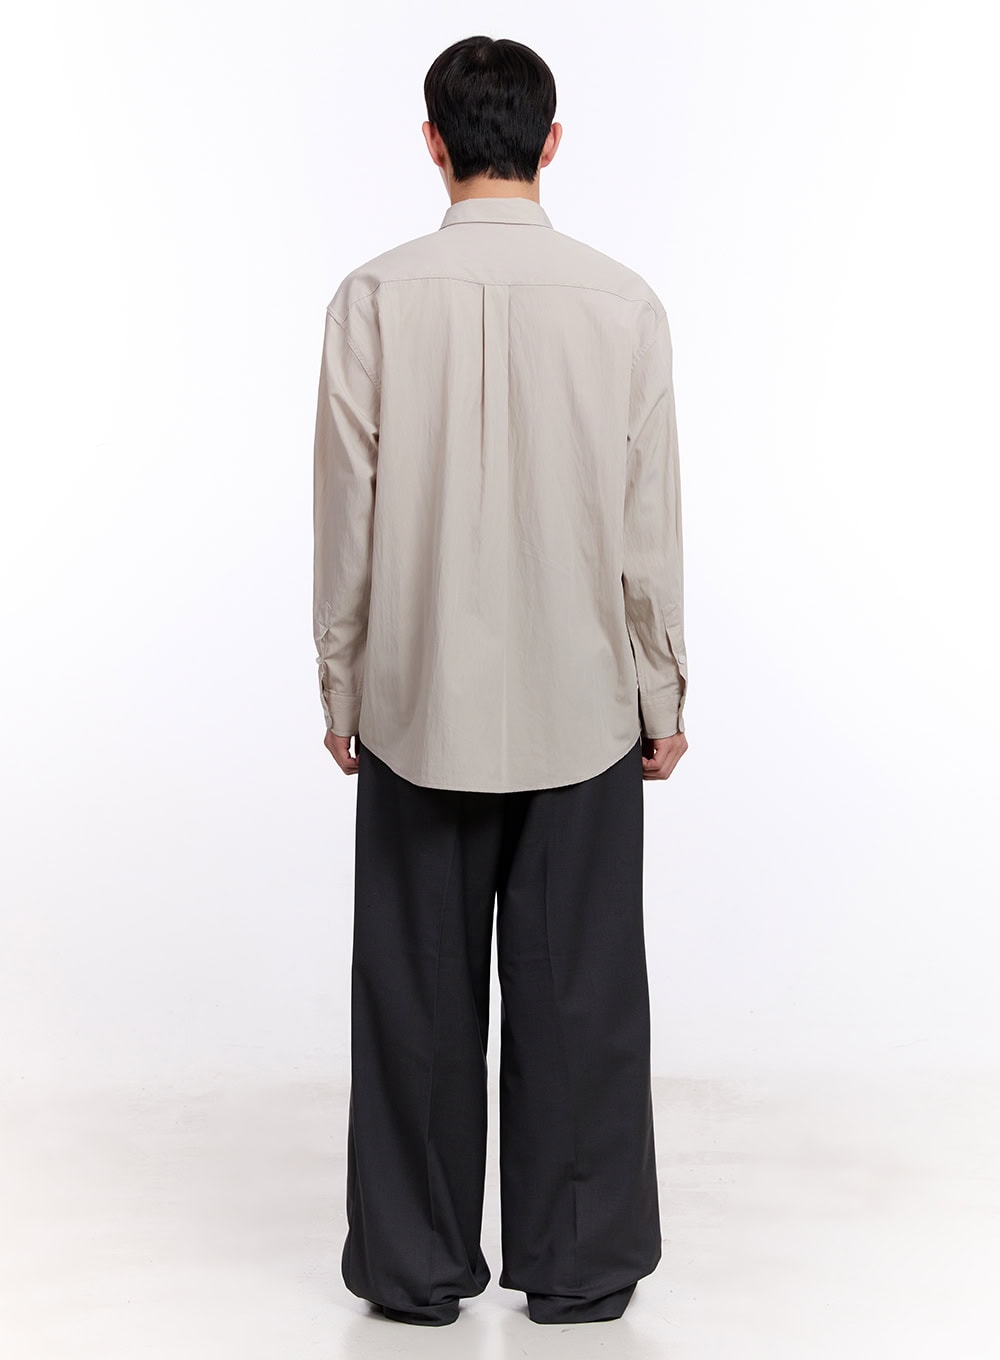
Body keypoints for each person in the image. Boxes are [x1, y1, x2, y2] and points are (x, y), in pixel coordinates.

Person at [312, 34, 689, 1328]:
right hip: (584, 704)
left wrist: (342, 682)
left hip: (418, 703)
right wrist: (662, 693)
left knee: (413, 995)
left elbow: (347, 517)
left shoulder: (372, 298)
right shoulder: (624, 304)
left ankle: (414, 1268)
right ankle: (579, 1266)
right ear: (552, 142)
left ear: (432, 142)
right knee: (581, 992)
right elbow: (647, 525)